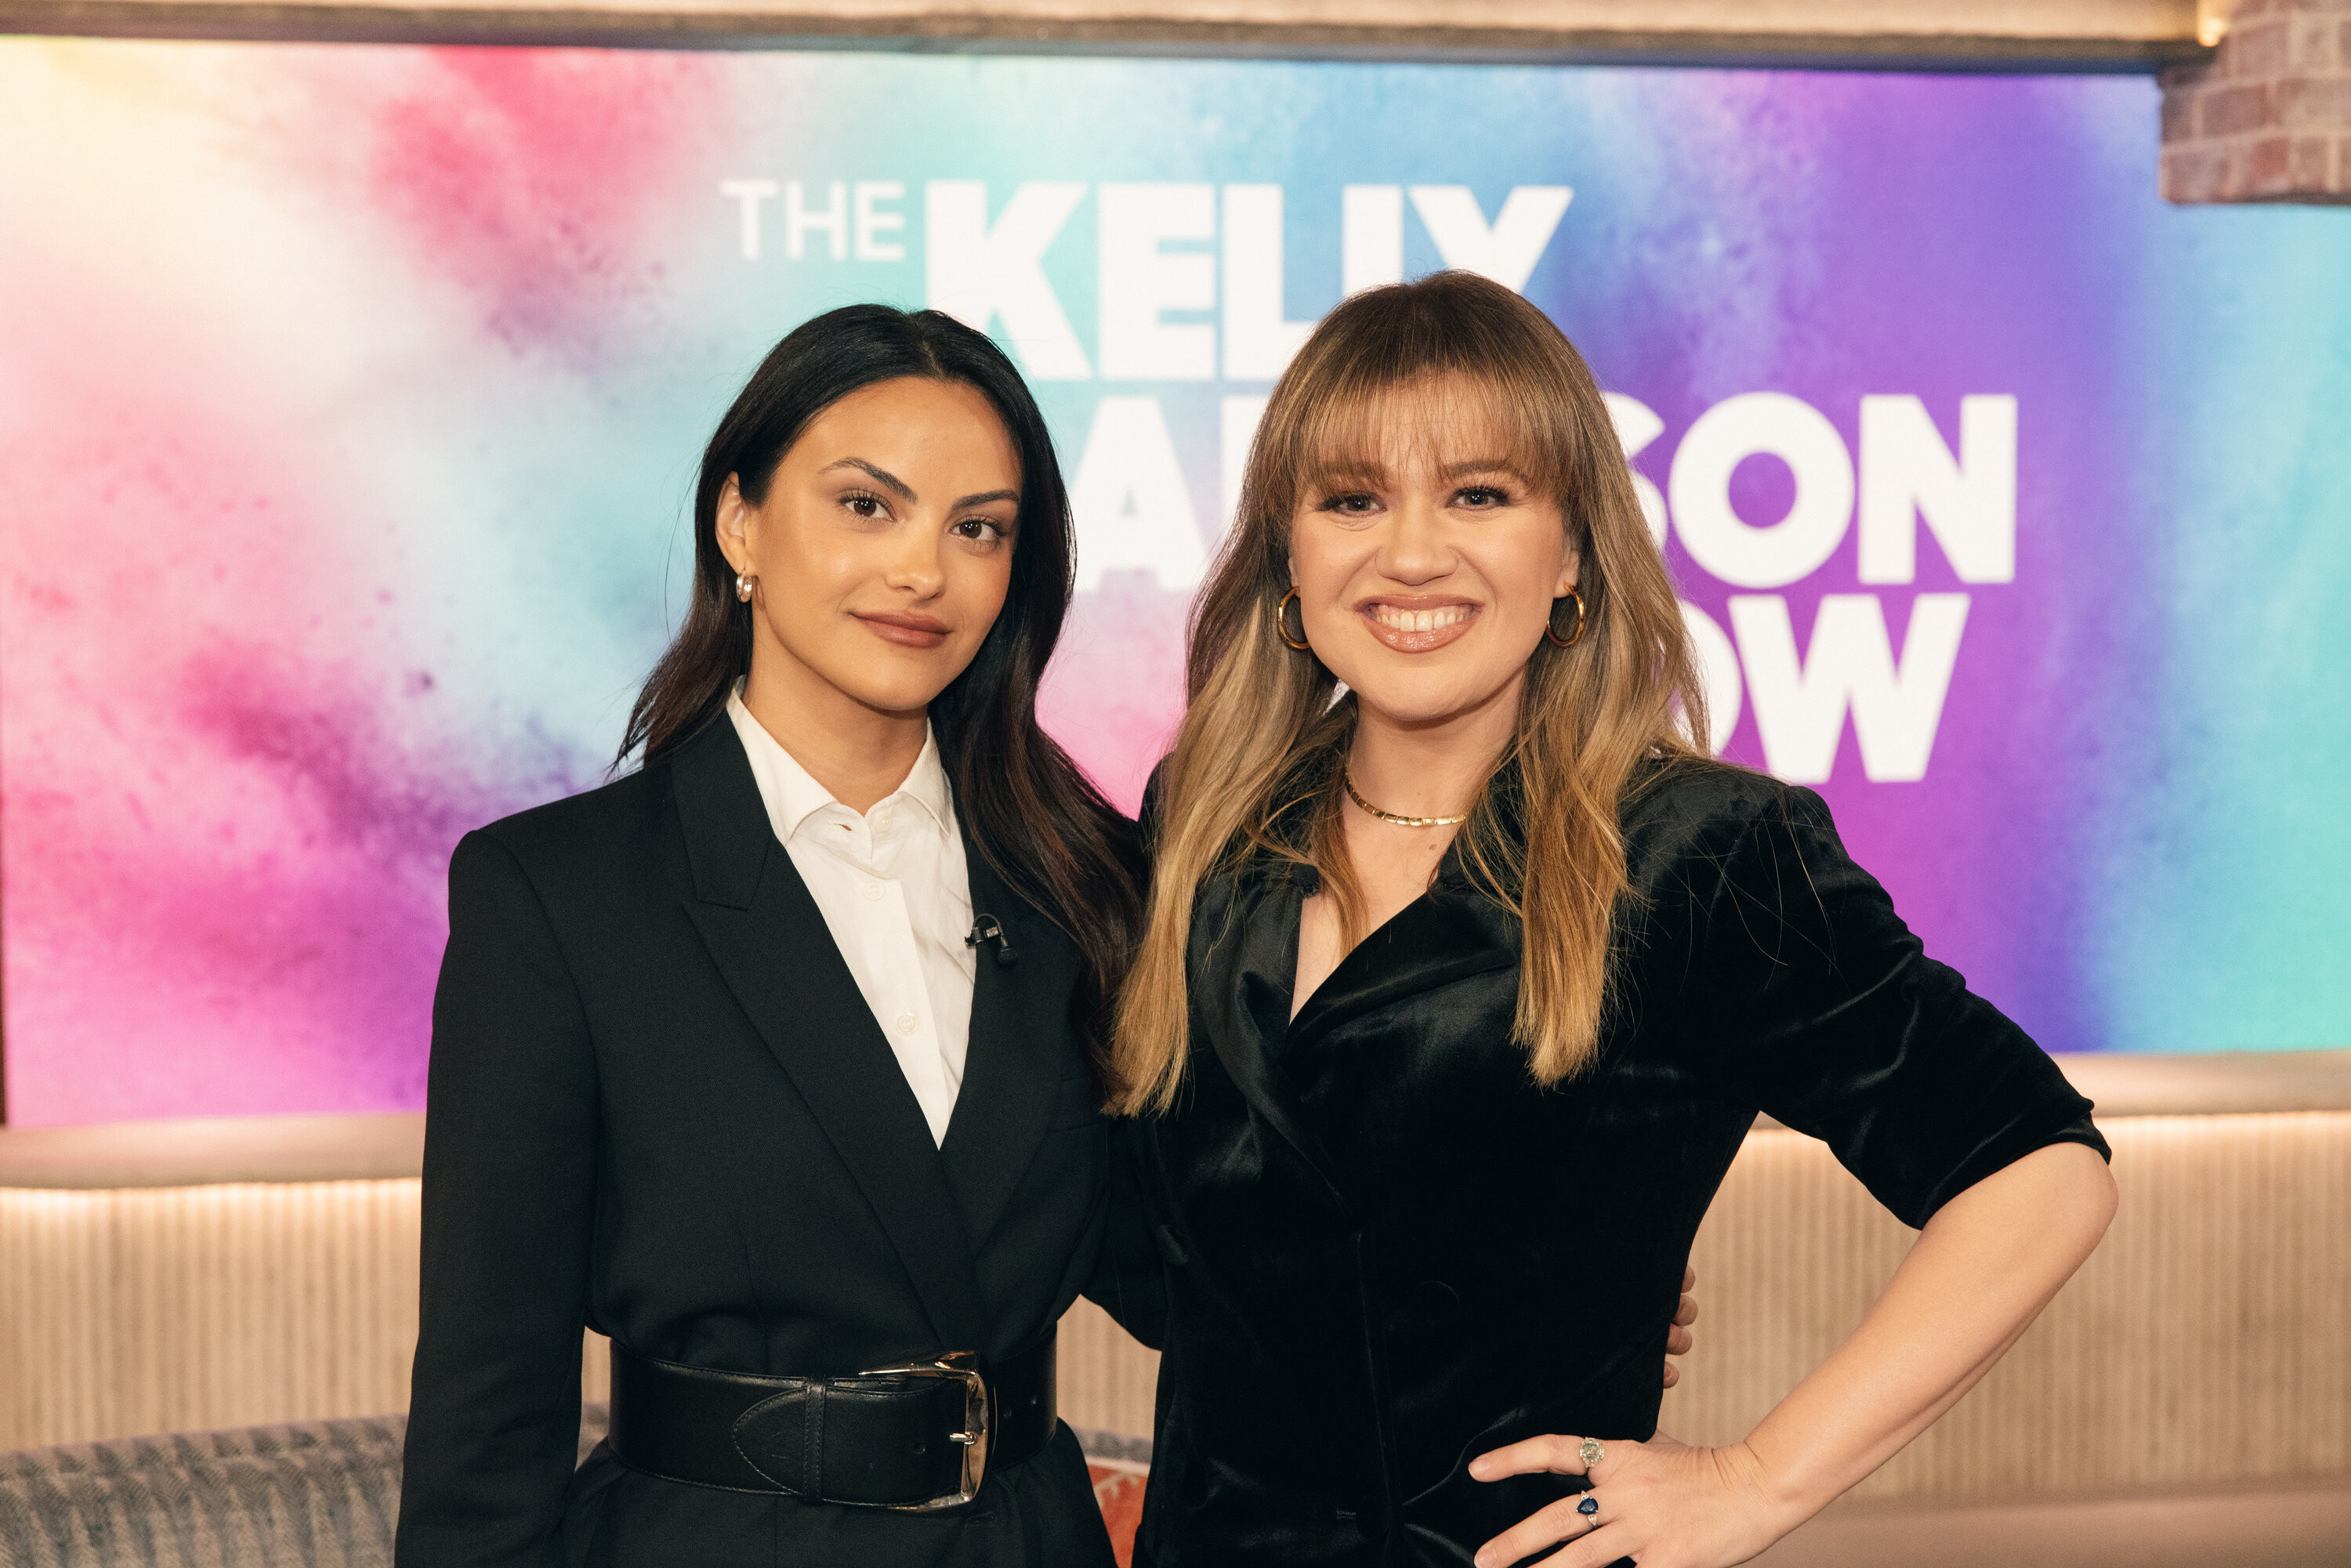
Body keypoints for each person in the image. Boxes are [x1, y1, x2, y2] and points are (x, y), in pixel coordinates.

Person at [1111, 271, 2119, 1568]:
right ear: (1288, 558)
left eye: (1480, 494)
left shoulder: (1700, 854)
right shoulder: (1206, 826)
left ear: (1574, 552)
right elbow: (1177, 1247)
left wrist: (1756, 1480)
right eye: (1352, 498)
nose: (1411, 552)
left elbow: (2036, 1169)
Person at [394, 304, 1164, 1568]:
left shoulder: (1086, 880)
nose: (924, 570)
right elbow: (490, 1406)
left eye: (978, 528)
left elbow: (1224, 1284)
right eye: (868, 505)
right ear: (740, 522)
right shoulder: (557, 896)